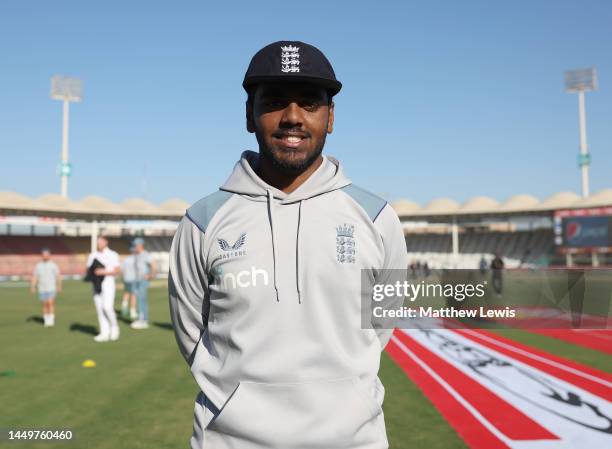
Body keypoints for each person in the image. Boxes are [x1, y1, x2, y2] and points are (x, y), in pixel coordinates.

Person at [169, 41, 408, 449]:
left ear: (330, 117)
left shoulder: (376, 218)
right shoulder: (203, 221)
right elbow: (192, 333)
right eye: (276, 102)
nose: (293, 118)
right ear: (250, 114)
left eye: (310, 104)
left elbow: (382, 324)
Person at [87, 235, 120, 342]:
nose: (99, 244)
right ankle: (104, 332)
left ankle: (114, 327)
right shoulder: (93, 255)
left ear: (106, 242)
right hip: (96, 284)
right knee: (100, 309)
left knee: (107, 307)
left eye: (101, 242)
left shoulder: (113, 254)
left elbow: (117, 270)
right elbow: (89, 269)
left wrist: (103, 271)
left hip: (108, 283)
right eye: (98, 242)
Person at [30, 248, 61, 327]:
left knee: (50, 303)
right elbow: (35, 277)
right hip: (42, 288)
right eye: (44, 255)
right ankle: (46, 320)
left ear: (49, 255)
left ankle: (51, 320)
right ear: (42, 255)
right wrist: (33, 286)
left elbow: (58, 276)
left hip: (51, 288)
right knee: (44, 304)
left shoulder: (53, 265)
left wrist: (59, 286)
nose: (45, 256)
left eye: (47, 255)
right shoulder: (38, 265)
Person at [130, 237, 155, 330]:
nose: (135, 246)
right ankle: (142, 319)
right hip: (137, 279)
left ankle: (143, 320)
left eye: (136, 245)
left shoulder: (145, 254)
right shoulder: (137, 255)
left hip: (143, 280)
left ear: (140, 245)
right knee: (139, 299)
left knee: (141, 299)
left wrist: (151, 275)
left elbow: (153, 264)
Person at [120, 245, 138, 320]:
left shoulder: (126, 259)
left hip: (126, 279)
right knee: (134, 295)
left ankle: (124, 308)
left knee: (126, 293)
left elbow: (122, 270)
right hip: (134, 279)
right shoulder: (137, 259)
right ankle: (132, 311)